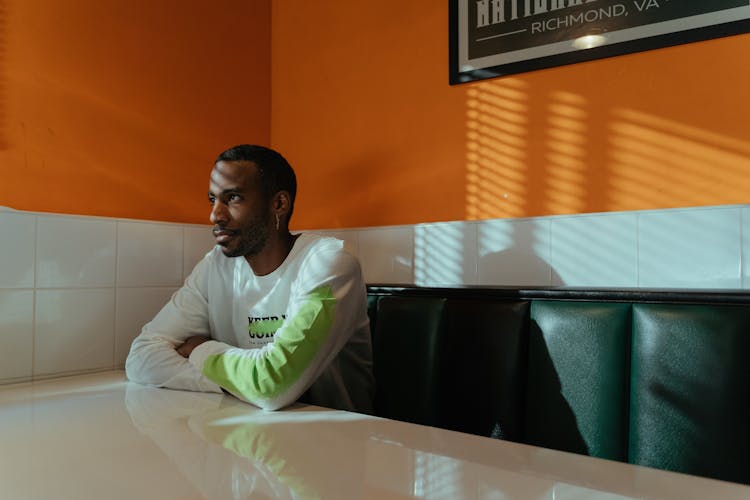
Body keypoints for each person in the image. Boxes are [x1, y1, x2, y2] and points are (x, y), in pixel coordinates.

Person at [125, 144, 374, 413]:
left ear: (278, 204)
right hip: (248, 435)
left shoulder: (330, 263)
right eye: (213, 200)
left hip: (337, 441)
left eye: (232, 198)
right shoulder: (215, 265)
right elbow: (141, 357)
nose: (215, 215)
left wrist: (202, 350)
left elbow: (271, 384)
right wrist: (235, 384)